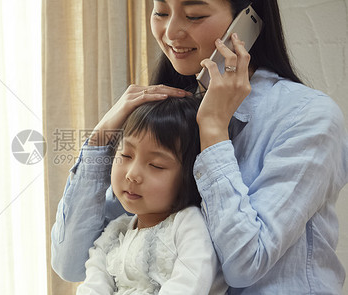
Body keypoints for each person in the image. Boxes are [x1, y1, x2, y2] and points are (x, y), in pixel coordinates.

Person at [51, 0, 348, 294]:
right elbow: (72, 262)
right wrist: (102, 137)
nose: (170, 32)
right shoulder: (170, 113)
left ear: (248, 20)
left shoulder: (308, 116)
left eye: (194, 15)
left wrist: (214, 131)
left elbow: (246, 264)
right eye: (161, 12)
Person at [76, 97, 228, 294]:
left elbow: (190, 285)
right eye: (126, 155)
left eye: (156, 165)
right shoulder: (115, 231)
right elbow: (93, 285)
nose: (132, 174)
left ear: (190, 175)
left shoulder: (188, 225)